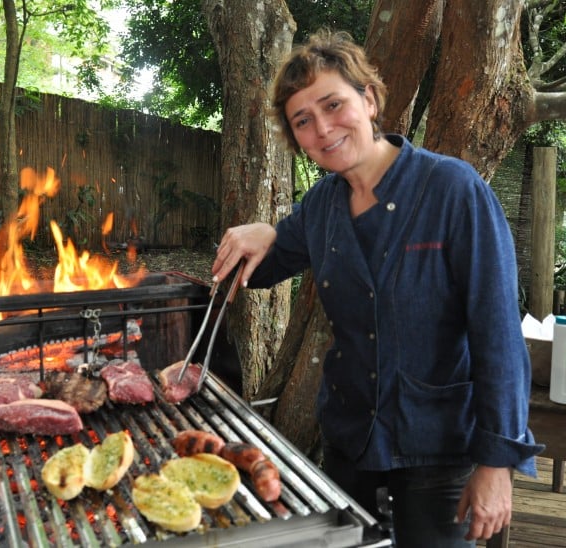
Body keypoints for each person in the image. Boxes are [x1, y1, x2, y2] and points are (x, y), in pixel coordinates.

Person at [211, 29, 543, 547]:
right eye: (303, 120)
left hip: (437, 450)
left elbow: (497, 331)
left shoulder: (451, 189)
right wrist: (265, 231)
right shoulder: (321, 205)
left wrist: (497, 461)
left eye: (333, 104)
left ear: (368, 99)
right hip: (350, 446)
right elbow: (270, 265)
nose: (322, 128)